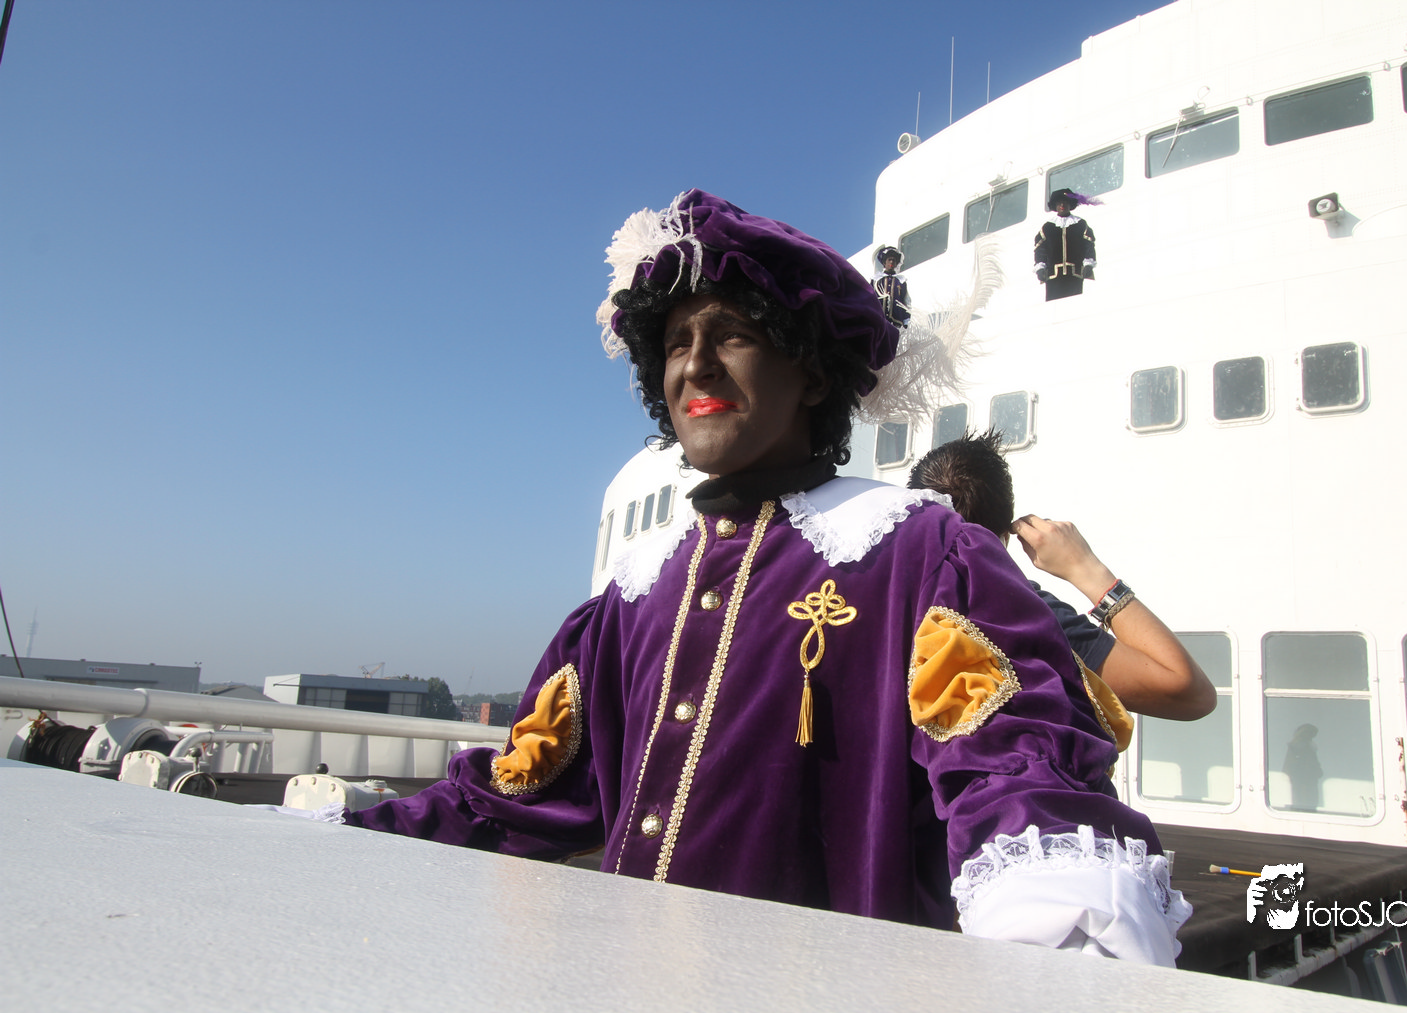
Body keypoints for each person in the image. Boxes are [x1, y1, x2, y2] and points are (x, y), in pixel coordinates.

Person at [345, 189, 1188, 964]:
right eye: (676, 343)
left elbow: (1017, 772)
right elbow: (522, 795)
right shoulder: (632, 593)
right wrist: (340, 830)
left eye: (732, 335)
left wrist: (1062, 927)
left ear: (812, 372)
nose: (696, 365)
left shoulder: (919, 554)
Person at [907, 431, 1216, 723]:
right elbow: (1190, 694)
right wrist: (1086, 569)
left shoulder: (886, 596)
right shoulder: (1025, 613)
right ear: (1007, 530)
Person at [1033, 187, 1096, 300]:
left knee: (1074, 303)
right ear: (1055, 205)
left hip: (1074, 275)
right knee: (1054, 305)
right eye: (1059, 203)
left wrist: (1088, 264)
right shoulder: (1048, 227)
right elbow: (1040, 249)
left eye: (1065, 202)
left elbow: (1089, 245)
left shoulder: (1080, 224)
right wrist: (1040, 267)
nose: (1062, 205)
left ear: (1070, 204)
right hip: (1053, 277)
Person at [873, 244, 911, 327]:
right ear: (884, 262)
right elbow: (870, 298)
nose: (891, 262)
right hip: (878, 319)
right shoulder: (876, 280)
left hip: (896, 321)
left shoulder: (901, 281)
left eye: (894, 260)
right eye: (889, 260)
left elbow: (906, 300)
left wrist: (906, 320)